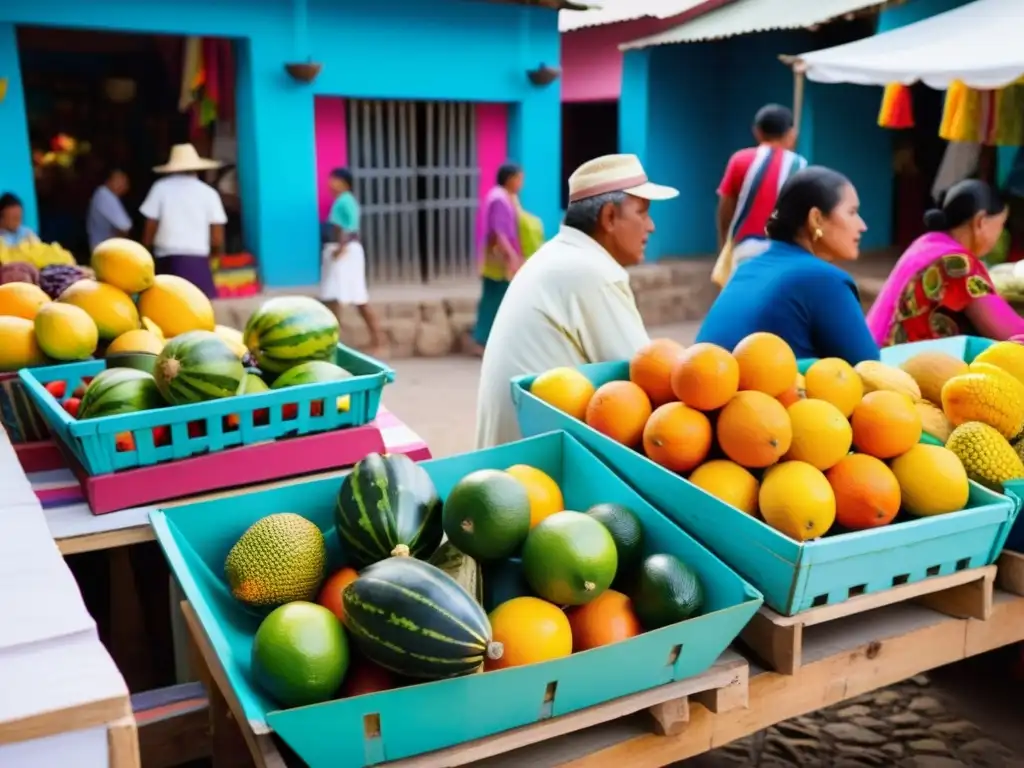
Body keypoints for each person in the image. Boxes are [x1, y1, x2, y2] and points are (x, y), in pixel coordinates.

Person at [474, 153, 678, 449]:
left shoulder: (558, 255)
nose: (651, 226)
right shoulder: (592, 272)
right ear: (609, 217)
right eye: (643, 212)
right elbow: (650, 380)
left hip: (508, 467)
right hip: (534, 477)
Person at [697, 166, 879, 364]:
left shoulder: (747, 267)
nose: (862, 226)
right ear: (816, 219)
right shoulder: (824, 280)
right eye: (852, 212)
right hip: (752, 393)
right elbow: (868, 370)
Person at [866, 179, 1024, 344]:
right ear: (980, 222)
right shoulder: (956, 262)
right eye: (1001, 225)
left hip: (874, 355)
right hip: (889, 364)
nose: (1001, 233)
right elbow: (1011, 333)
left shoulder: (927, 244)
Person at [713, 104, 808, 286]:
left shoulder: (740, 160)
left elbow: (726, 208)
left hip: (744, 249)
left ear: (757, 132)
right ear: (790, 133)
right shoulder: (800, 165)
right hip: (784, 252)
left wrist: (724, 243)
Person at [465, 163, 544, 356]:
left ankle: (485, 340)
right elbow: (500, 233)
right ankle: (482, 341)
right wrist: (513, 257)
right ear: (510, 179)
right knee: (494, 300)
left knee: (493, 299)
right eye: (519, 178)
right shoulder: (500, 199)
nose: (521, 183)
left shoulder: (502, 196)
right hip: (498, 262)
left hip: (497, 260)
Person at [139, 143, 227, 298]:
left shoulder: (160, 188)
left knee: (166, 305)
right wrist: (215, 257)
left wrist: (146, 250)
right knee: (200, 307)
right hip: (197, 260)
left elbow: (150, 225)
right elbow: (217, 236)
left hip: (167, 258)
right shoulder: (209, 193)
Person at [320, 167, 385, 356]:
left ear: (344, 183)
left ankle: (378, 341)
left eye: (334, 179)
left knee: (355, 298)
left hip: (345, 252)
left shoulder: (345, 201)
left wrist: (341, 247)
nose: (330, 183)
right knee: (335, 298)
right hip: (343, 251)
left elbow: (349, 227)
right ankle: (335, 343)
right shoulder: (342, 201)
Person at [86, 168, 132, 251]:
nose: (123, 186)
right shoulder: (105, 195)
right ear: (109, 181)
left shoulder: (104, 194)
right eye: (119, 182)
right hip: (105, 250)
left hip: (102, 247)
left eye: (125, 183)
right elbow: (125, 226)